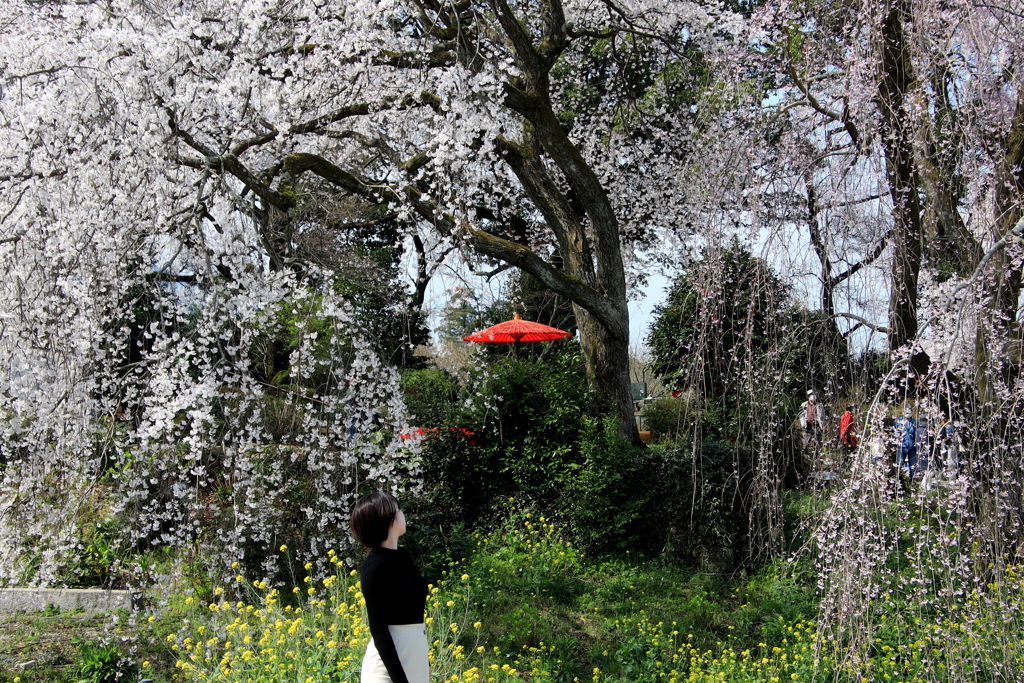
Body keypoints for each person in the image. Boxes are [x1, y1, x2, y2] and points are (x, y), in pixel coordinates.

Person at [350, 492, 429, 683]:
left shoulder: (404, 556)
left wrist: (425, 663)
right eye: (398, 510)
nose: (403, 514)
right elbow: (379, 630)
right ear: (388, 519)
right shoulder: (373, 566)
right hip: (386, 668)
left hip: (416, 654)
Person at [894, 409, 918, 483]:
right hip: (901, 446)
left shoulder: (915, 422)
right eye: (906, 412)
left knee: (913, 465)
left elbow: (917, 435)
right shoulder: (898, 422)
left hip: (912, 447)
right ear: (903, 412)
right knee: (900, 464)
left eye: (909, 412)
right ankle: (900, 482)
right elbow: (894, 433)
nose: (908, 414)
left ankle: (912, 481)